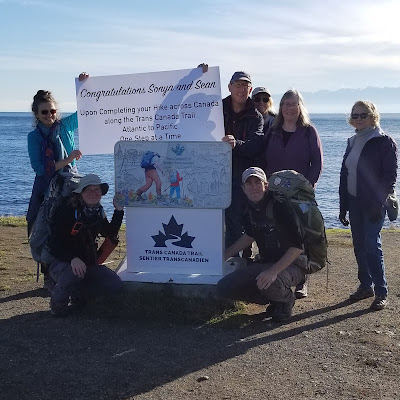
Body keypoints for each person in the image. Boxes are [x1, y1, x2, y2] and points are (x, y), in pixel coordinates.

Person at [217, 167, 305, 322]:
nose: (254, 186)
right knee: (225, 287)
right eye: (249, 183)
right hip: (266, 263)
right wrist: (224, 255)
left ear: (266, 185)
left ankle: (286, 300)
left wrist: (273, 271)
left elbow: (298, 247)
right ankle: (273, 299)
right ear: (243, 189)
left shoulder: (281, 206)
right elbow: (249, 236)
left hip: (293, 265)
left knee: (271, 281)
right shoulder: (249, 209)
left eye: (258, 182)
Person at [260, 89, 323, 298]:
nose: (289, 108)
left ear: (300, 107)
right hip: (274, 193)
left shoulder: (308, 131)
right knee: (279, 234)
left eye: (293, 104)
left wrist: (309, 186)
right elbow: (264, 160)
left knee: (301, 236)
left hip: (299, 194)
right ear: (280, 107)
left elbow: (317, 163)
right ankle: (280, 276)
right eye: (285, 104)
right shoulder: (273, 130)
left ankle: (302, 280)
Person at [339, 101, 397, 311]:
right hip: (354, 202)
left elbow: (390, 177)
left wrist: (379, 202)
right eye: (355, 115)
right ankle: (366, 286)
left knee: (372, 245)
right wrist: (343, 206)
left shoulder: (384, 141)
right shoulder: (352, 141)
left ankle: (381, 291)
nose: (359, 119)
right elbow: (346, 175)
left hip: (374, 203)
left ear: (372, 116)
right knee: (359, 245)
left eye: (363, 115)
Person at [46, 174, 124, 316]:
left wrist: (118, 211)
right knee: (73, 273)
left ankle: (78, 294)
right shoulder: (67, 211)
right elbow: (55, 244)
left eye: (97, 190)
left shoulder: (98, 212)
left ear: (101, 193)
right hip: (60, 262)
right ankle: (57, 305)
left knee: (114, 285)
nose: (93, 193)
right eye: (88, 190)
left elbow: (110, 233)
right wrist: (72, 258)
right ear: (80, 193)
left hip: (87, 263)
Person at [26, 72, 89, 236]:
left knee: (72, 229)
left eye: (52, 111)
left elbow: (87, 109)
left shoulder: (66, 125)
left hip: (70, 183)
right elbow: (40, 169)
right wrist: (68, 159)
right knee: (45, 232)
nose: (49, 115)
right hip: (46, 189)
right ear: (37, 114)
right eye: (44, 112)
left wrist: (84, 86)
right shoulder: (33, 137)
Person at [222, 71, 264, 255]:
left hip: (239, 175)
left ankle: (241, 261)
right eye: (237, 85)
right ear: (229, 87)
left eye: (245, 86)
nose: (241, 89)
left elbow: (256, 145)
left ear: (250, 89)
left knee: (238, 221)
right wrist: (198, 76)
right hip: (212, 172)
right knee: (211, 221)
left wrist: (236, 144)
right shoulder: (215, 108)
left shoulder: (256, 117)